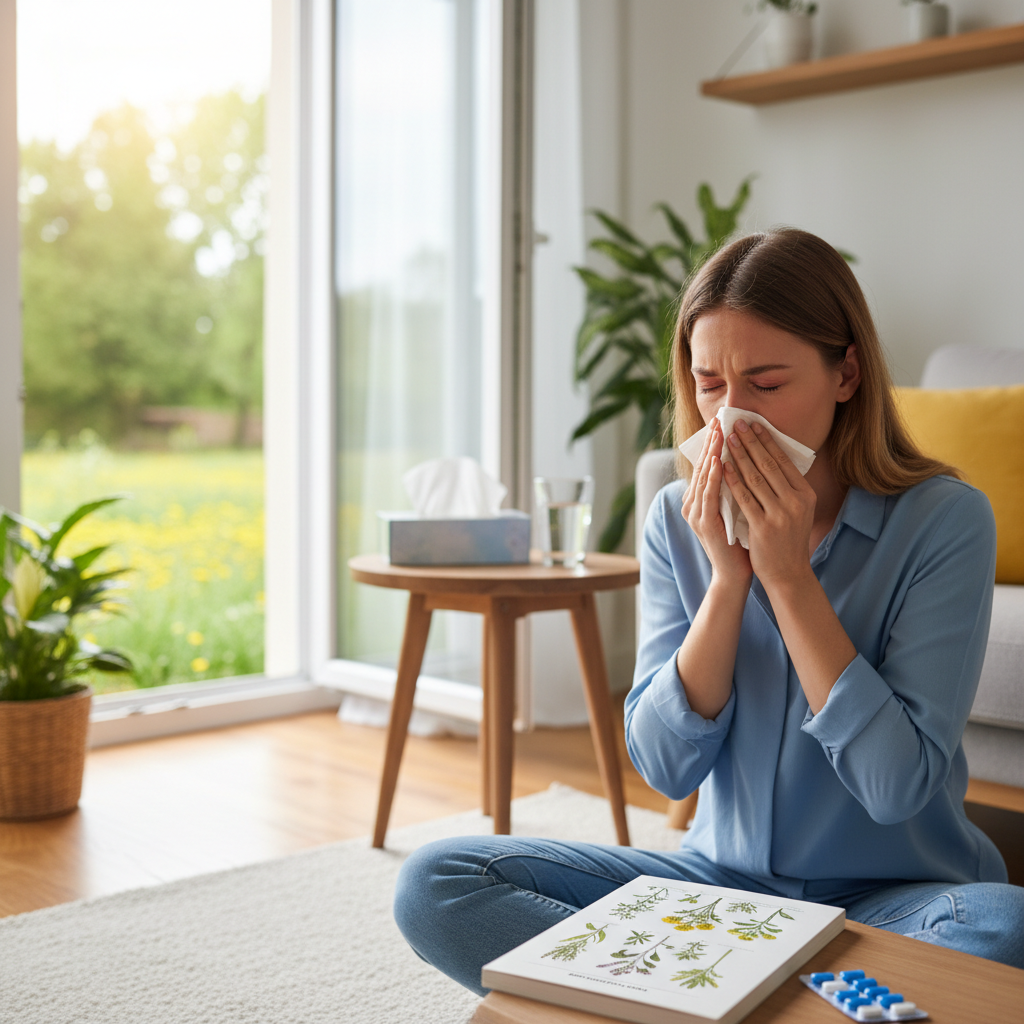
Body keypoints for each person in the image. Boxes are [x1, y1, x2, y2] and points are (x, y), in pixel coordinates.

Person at [393, 228, 1024, 995]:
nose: (730, 419)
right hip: (716, 894)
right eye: (710, 385)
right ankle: (793, 997)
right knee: (439, 881)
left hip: (897, 899)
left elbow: (895, 789)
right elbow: (665, 766)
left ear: (846, 373)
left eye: (764, 383)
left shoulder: (944, 520)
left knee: (1002, 930)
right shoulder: (675, 520)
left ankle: (710, 997)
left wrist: (789, 581)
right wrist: (728, 584)